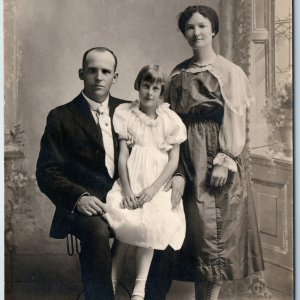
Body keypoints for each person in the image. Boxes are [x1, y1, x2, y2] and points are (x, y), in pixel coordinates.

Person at [145, 5, 264, 300]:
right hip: (184, 157)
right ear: (184, 33)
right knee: (193, 237)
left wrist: (224, 159)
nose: (196, 32)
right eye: (190, 28)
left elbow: (235, 119)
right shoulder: (178, 73)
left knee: (215, 235)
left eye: (202, 26)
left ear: (213, 30)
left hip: (214, 156)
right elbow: (167, 120)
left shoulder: (229, 72)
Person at [36, 47, 129, 300]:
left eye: (106, 71)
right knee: (96, 232)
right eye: (92, 71)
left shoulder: (130, 111)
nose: (99, 77)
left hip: (127, 200)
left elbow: (160, 146)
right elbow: (47, 172)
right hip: (87, 205)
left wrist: (176, 176)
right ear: (81, 73)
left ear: (115, 77)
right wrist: (79, 198)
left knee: (163, 226)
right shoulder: (61, 116)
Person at [97, 65, 187, 300]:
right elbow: (123, 155)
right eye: (145, 86)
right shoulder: (126, 114)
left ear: (161, 92)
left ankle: (139, 290)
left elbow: (173, 160)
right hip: (133, 178)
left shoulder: (170, 120)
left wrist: (154, 188)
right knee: (125, 226)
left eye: (155, 88)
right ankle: (111, 286)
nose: (149, 92)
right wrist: (127, 189)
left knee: (152, 225)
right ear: (138, 86)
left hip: (155, 183)